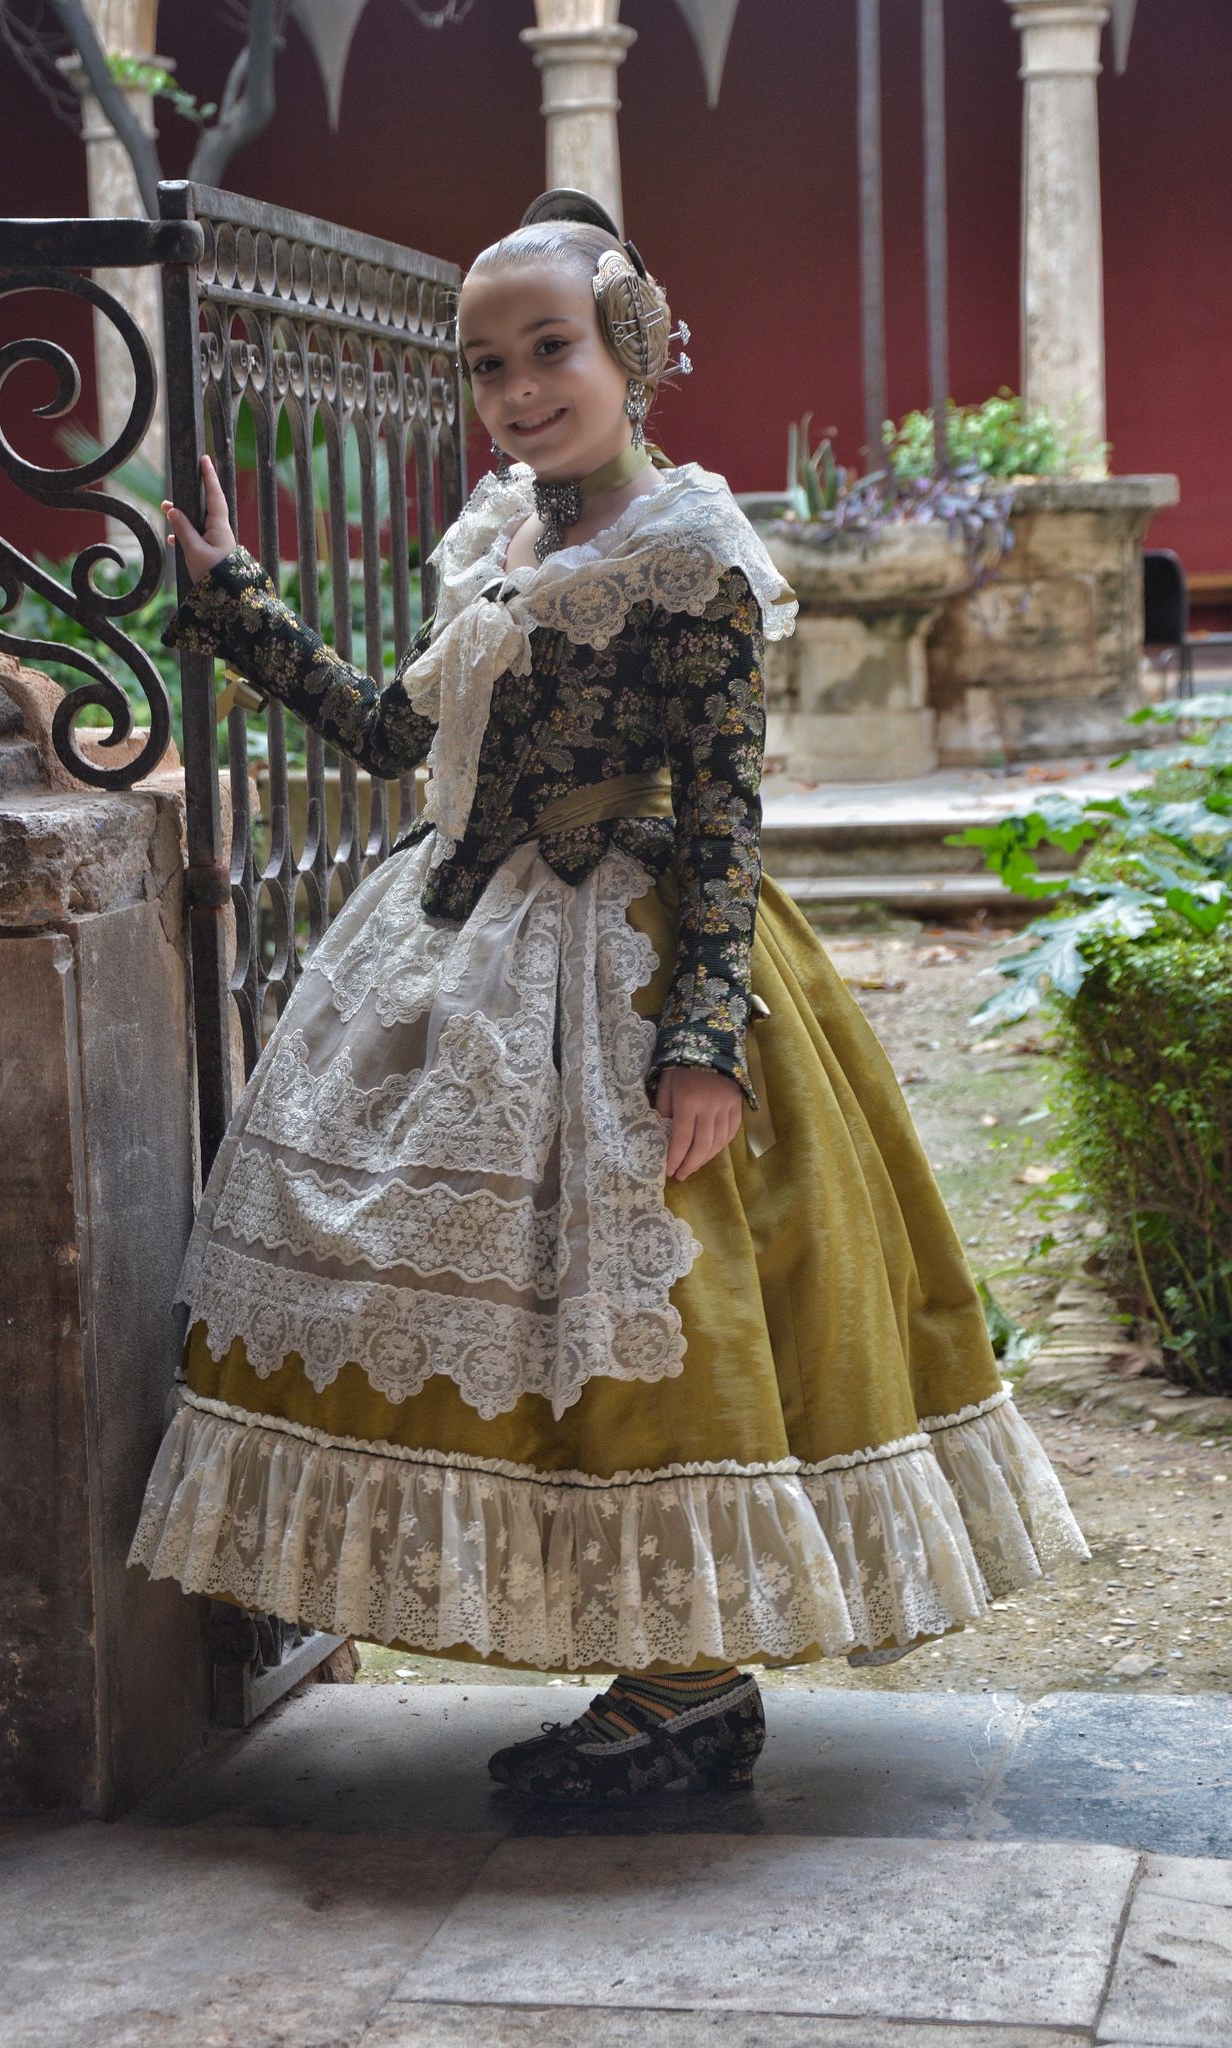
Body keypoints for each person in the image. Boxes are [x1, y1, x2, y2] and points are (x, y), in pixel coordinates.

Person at [128, 189, 1089, 1803]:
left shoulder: (688, 557)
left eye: (549, 349)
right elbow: (395, 736)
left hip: (626, 960)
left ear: (629, 350)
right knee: (443, 1305)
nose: (517, 389)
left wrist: (700, 1043)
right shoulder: (504, 537)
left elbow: (722, 812)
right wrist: (232, 597)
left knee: (654, 1325)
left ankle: (687, 1680)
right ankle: (651, 1662)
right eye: (486, 363)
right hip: (459, 938)